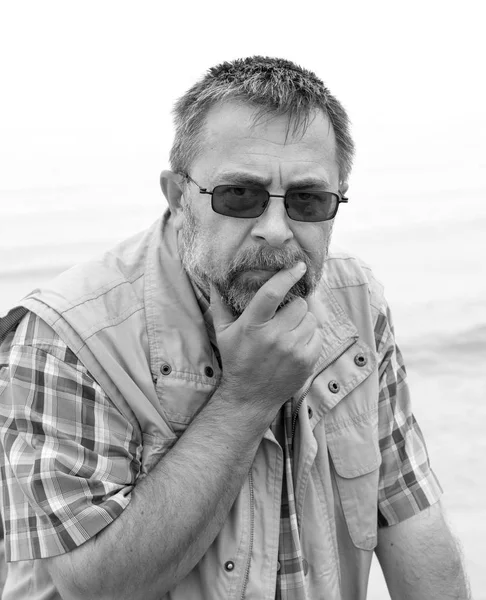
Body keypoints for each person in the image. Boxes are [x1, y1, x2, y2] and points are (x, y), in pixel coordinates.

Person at [0, 56, 470, 600]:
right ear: (178, 198)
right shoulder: (66, 337)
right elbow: (98, 585)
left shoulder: (354, 301)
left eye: (307, 200)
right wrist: (245, 400)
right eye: (239, 196)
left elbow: (409, 511)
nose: (275, 230)